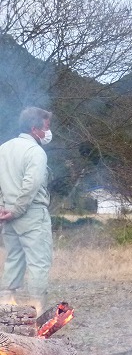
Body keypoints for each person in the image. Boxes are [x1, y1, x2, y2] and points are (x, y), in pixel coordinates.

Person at [0, 107, 54, 314]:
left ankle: (5, 310)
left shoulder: (3, 148)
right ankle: (37, 312)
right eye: (46, 127)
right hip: (30, 213)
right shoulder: (35, 152)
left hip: (8, 215)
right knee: (39, 262)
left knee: (13, 259)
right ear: (35, 129)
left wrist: (3, 208)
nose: (48, 132)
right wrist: (17, 209)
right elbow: (30, 185)